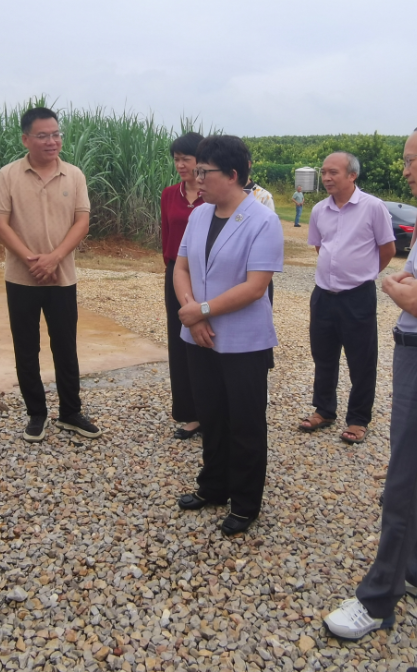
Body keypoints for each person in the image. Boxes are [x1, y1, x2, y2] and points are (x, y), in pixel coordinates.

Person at [324, 120, 417, 640]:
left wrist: (403, 288)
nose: (406, 168)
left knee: (408, 477)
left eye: (414, 159)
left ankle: (378, 598)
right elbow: (415, 287)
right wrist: (410, 289)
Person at [173, 136, 283, 536]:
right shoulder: (200, 215)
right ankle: (213, 486)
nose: (197, 179)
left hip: (242, 341)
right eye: (197, 171)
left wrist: (202, 311)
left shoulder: (263, 220)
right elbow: (181, 268)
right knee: (212, 416)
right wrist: (192, 315)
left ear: (233, 175)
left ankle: (246, 502)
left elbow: (255, 286)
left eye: (205, 172)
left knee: (245, 422)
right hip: (200, 336)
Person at [0, 107, 101, 442]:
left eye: (56, 134)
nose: (52, 141)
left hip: (62, 277)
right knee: (26, 348)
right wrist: (32, 260)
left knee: (65, 346)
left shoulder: (74, 175)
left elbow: (82, 222)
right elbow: (0, 225)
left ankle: (70, 412)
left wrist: (54, 258)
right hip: (21, 278)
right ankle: (36, 414)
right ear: (26, 139)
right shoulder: (8, 175)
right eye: (43, 135)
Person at [299, 152, 395, 443]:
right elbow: (320, 247)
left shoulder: (373, 207)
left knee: (361, 360)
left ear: (352, 175)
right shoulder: (319, 210)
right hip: (323, 295)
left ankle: (358, 419)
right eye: (323, 172)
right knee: (323, 356)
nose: (326, 178)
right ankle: (324, 410)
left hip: (357, 296)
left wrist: (363, 273)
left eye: (333, 172)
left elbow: (388, 249)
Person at [160, 132, 206, 440]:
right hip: (176, 272)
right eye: (176, 160)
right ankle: (189, 412)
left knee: (206, 339)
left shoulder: (211, 195)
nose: (180, 165)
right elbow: (166, 234)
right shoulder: (169, 194)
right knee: (179, 341)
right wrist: (171, 267)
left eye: (185, 159)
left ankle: (211, 409)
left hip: (206, 274)